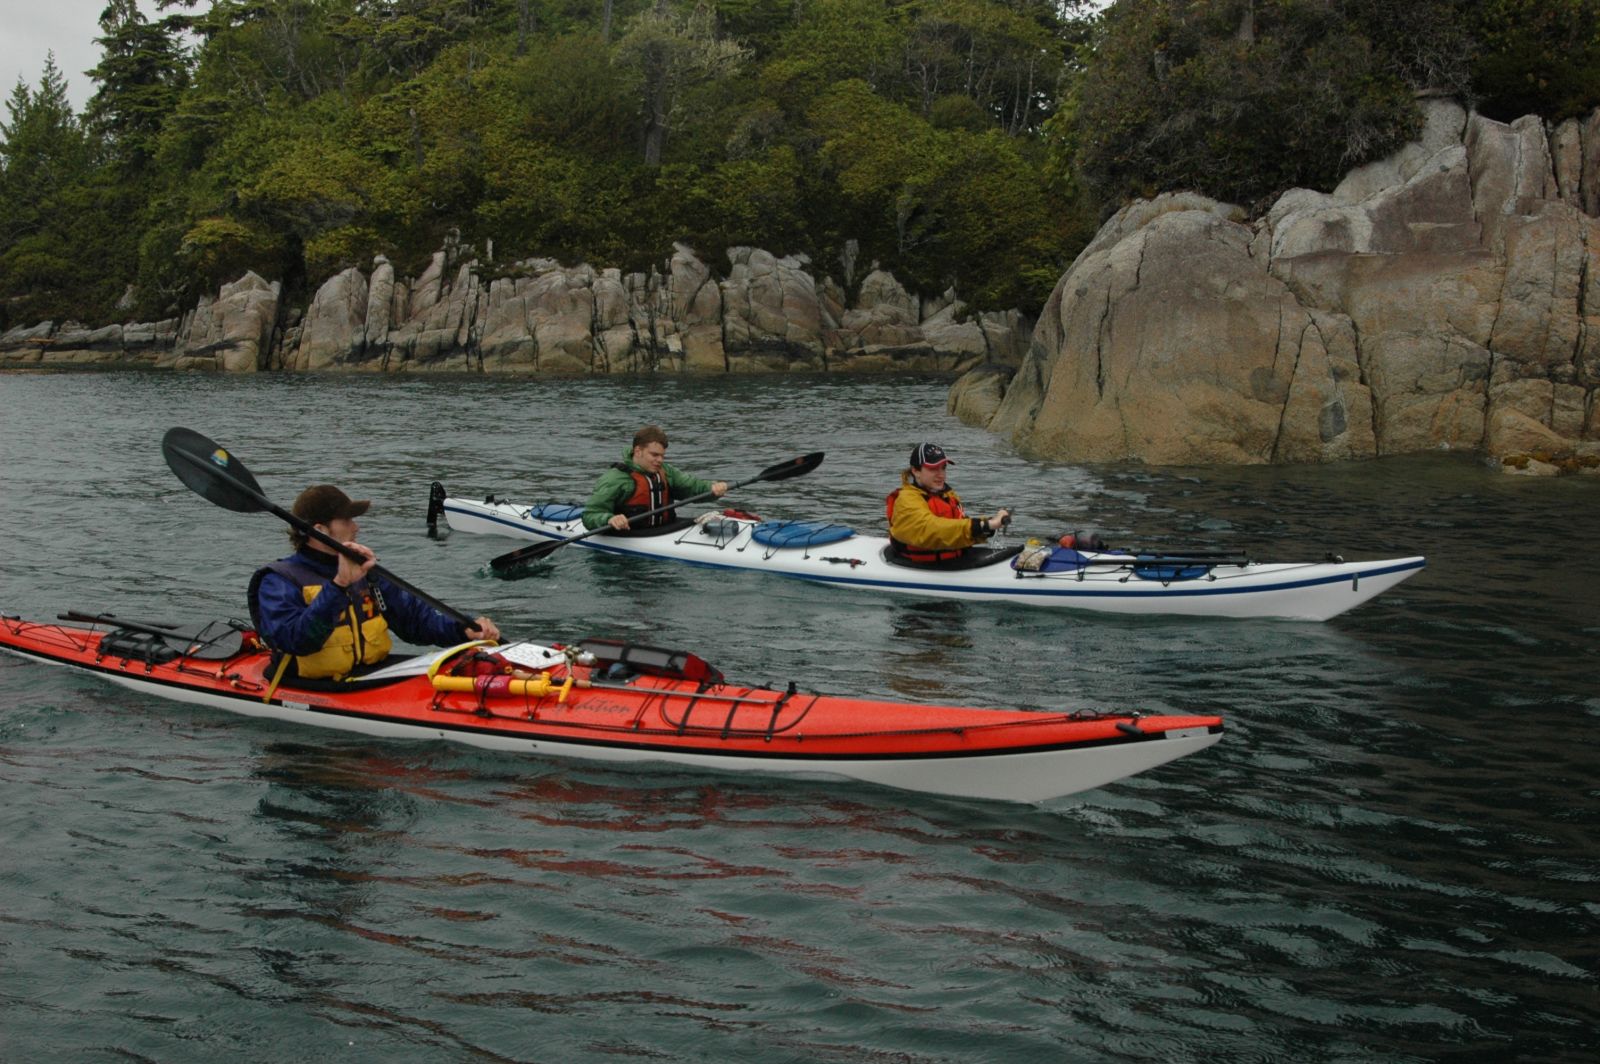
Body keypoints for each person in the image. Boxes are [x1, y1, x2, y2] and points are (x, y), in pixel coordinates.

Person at [248, 485, 500, 684]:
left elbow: (414, 621)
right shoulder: (279, 580)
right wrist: (339, 585)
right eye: (346, 520)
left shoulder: (366, 573)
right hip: (310, 685)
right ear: (320, 530)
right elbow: (296, 641)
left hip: (371, 677)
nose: (355, 527)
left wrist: (464, 630)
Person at [582, 425, 728, 532]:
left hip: (665, 531)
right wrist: (609, 519)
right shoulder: (614, 479)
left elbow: (692, 487)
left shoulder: (666, 471)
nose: (660, 460)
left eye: (662, 456)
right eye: (654, 455)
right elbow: (591, 515)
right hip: (630, 534)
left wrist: (712, 488)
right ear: (638, 451)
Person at [886, 443, 1011, 564]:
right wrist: (985, 525)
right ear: (915, 471)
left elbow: (959, 528)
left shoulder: (947, 495)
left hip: (953, 561)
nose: (941, 475)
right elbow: (931, 530)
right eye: (933, 468)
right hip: (921, 565)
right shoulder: (906, 500)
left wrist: (988, 527)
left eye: (943, 468)